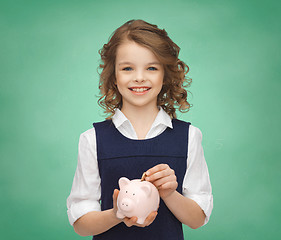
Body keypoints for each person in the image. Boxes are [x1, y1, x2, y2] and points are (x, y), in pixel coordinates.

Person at [67, 19, 213, 240]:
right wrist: (117, 213)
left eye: (151, 68)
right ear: (113, 76)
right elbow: (81, 225)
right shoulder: (92, 139)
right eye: (127, 68)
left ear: (165, 75)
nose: (139, 77)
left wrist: (170, 194)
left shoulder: (189, 137)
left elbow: (197, 219)